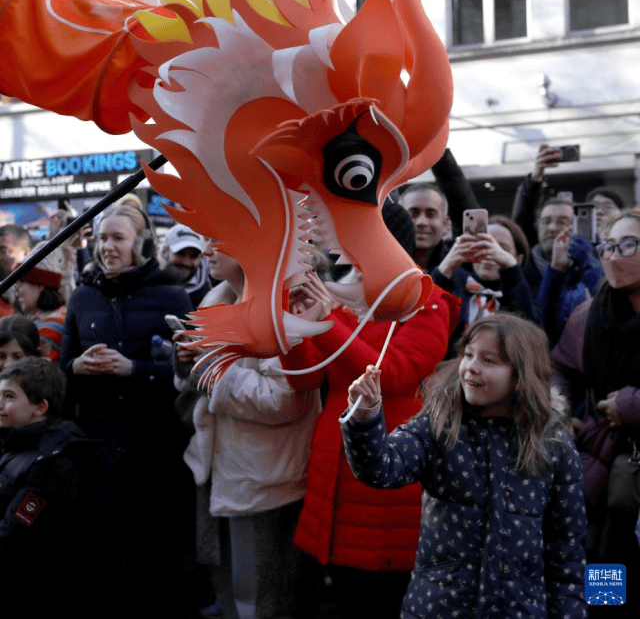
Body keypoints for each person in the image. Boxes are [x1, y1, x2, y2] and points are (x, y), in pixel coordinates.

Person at [342, 313, 588, 619]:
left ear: (521, 376)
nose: (471, 367)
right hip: (439, 607)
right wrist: (365, 419)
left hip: (519, 610)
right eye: (468, 355)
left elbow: (568, 552)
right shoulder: (439, 426)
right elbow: (380, 468)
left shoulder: (554, 446)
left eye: (489, 360)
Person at [280, 270, 459, 619]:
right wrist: (296, 325)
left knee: (377, 599)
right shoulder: (347, 300)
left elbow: (390, 374)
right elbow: (307, 377)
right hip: (331, 475)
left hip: (387, 481)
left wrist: (328, 319)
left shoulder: (428, 301)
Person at [173, 239, 320, 619]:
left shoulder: (287, 306)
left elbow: (286, 400)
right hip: (219, 470)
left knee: (260, 602)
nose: (206, 249)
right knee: (229, 595)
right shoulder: (216, 300)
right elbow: (205, 378)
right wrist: (186, 363)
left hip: (264, 481)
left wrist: (209, 367)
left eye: (215, 237)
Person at [59, 202, 194, 616]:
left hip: (157, 450)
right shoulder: (83, 297)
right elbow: (63, 368)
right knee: (104, 559)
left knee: (156, 560)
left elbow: (190, 370)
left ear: (142, 244)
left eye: (118, 238)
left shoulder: (172, 295)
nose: (107, 247)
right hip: (99, 450)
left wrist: (135, 369)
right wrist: (76, 368)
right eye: (101, 238)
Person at [552, 207, 640, 617]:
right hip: (600, 462)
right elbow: (560, 369)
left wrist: (632, 406)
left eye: (629, 244)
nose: (614, 255)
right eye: (608, 245)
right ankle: (608, 610)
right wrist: (562, 412)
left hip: (630, 460)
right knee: (604, 555)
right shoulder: (589, 317)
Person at [0, 357, 85, 617]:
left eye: (9, 397)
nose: (0, 405)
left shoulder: (50, 461)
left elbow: (15, 531)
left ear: (40, 407)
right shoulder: (13, 443)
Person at [431, 214, 541, 350]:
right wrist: (444, 269)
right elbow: (422, 325)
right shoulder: (452, 290)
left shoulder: (528, 294)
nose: (490, 252)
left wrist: (512, 271)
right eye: (482, 245)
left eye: (501, 249)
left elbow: (531, 337)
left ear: (518, 259)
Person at [525, 197, 603, 347]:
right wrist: (556, 271)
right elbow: (538, 328)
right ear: (538, 226)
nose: (553, 228)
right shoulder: (522, 268)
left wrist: (590, 264)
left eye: (562, 222)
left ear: (577, 226)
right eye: (546, 221)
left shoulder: (595, 261)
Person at [14, 242, 69, 361]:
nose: (17, 293)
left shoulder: (50, 327)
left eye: (21, 284)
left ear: (40, 286)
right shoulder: (51, 316)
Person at [161, 223, 212, 307]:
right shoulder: (147, 283)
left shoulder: (209, 298)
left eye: (194, 256)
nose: (186, 262)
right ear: (164, 252)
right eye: (180, 253)